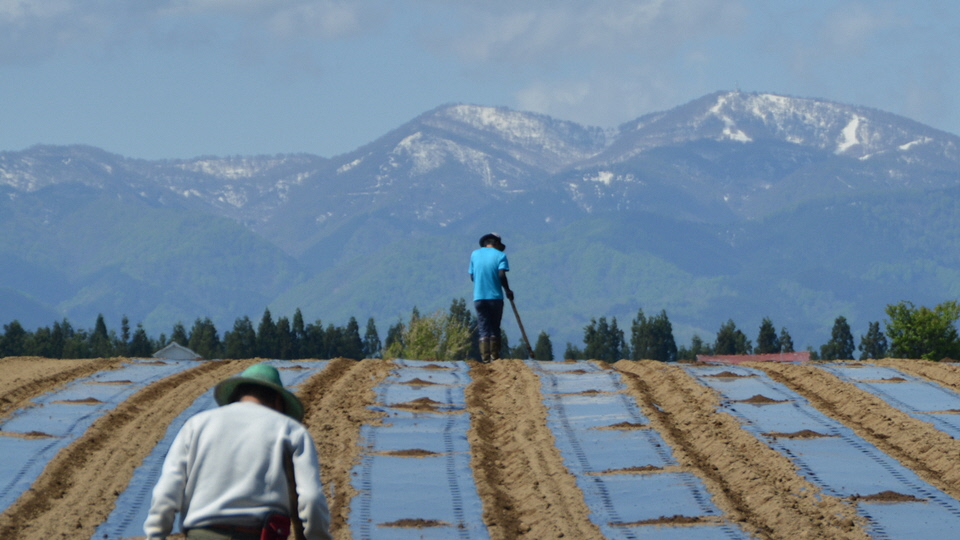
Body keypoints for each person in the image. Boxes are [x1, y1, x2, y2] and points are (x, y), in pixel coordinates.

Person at [144, 363, 332, 540]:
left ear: (235, 396)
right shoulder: (290, 430)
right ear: (277, 402)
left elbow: (166, 491)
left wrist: (155, 535)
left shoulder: (197, 425)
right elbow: (311, 497)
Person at [469, 232, 514, 363]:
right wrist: (508, 290)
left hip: (479, 297)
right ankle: (495, 357)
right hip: (495, 297)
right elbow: (501, 275)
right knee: (495, 326)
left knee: (483, 326)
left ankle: (485, 358)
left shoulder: (474, 254)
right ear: (496, 244)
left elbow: (472, 276)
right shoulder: (501, 255)